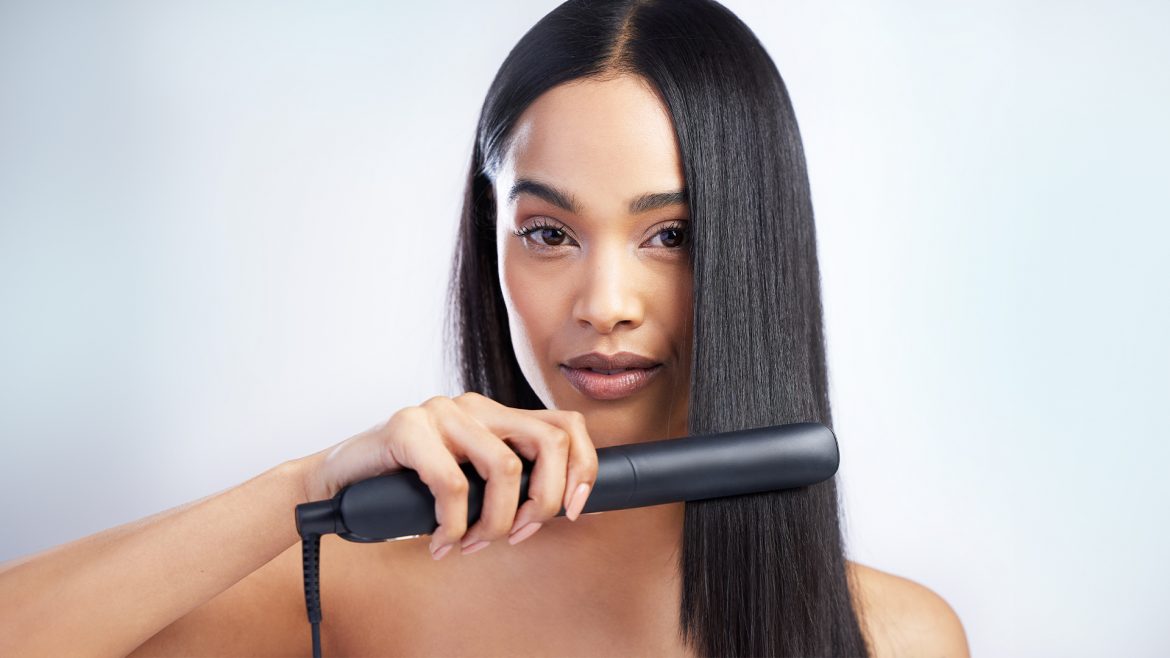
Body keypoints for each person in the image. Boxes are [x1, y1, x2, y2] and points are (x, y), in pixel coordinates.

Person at [0, 0, 971, 656]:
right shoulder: (369, 585)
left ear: (756, 250)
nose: (604, 303)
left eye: (668, 234)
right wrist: (302, 489)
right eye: (549, 232)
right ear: (492, 239)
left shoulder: (898, 636)